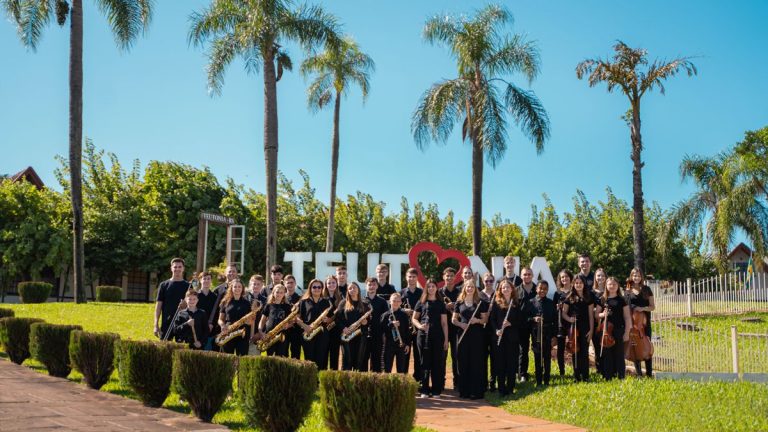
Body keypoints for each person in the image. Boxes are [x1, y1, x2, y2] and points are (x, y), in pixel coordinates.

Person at [412, 278, 449, 398]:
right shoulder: (421, 302)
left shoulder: (440, 303)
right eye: (429, 286)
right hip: (423, 336)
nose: (431, 288)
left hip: (438, 336)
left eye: (433, 286)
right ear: (426, 288)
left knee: (437, 362)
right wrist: (420, 326)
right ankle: (424, 389)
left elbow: (444, 323)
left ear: (437, 288)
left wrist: (446, 340)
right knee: (424, 362)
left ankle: (436, 389)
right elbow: (414, 318)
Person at [452, 280, 489, 400]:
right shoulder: (459, 302)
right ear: (464, 288)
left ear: (475, 289)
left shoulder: (480, 303)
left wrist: (477, 321)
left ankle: (475, 391)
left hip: (476, 336)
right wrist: (460, 324)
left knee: (475, 362)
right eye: (468, 287)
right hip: (462, 335)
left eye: (472, 287)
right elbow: (453, 319)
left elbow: (485, 320)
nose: (470, 289)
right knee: (463, 362)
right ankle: (464, 391)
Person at [490, 279, 521, 396]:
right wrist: (496, 330)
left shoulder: (516, 303)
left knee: (511, 363)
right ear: (500, 290)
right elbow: (492, 320)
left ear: (512, 289)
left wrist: (510, 323)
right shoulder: (496, 303)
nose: (506, 289)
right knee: (500, 363)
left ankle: (510, 388)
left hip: (512, 338)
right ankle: (501, 389)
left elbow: (521, 320)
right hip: (499, 337)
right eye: (503, 287)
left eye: (508, 287)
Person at [596, 277, 631, 380]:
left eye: (614, 284)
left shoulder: (622, 300)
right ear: (606, 286)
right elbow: (596, 314)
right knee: (607, 354)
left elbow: (627, 317)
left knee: (619, 354)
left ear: (618, 286)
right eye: (610, 284)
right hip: (606, 330)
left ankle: (621, 376)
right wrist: (603, 314)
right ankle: (608, 376)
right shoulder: (602, 299)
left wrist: (627, 332)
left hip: (619, 330)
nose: (612, 286)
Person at [561, 275, 595, 382]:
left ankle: (585, 376)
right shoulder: (569, 297)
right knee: (575, 352)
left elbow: (591, 315)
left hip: (585, 328)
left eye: (580, 283)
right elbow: (563, 313)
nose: (578, 285)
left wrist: (591, 330)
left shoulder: (588, 298)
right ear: (573, 284)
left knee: (584, 351)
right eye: (576, 283)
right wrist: (570, 319)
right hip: (574, 329)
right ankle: (577, 376)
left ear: (584, 284)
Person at [525, 281, 556, 387]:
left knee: (547, 357)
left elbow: (555, 320)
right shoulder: (531, 302)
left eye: (545, 288)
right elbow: (525, 318)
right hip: (536, 333)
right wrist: (533, 318)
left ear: (547, 290)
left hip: (548, 333)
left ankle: (547, 379)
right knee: (537, 356)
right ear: (536, 289)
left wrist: (554, 336)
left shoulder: (550, 303)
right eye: (540, 288)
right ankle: (538, 380)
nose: (542, 290)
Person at [626, 267, 655, 378]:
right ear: (631, 277)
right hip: (633, 324)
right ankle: (639, 374)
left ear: (641, 277)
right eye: (634, 275)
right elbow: (626, 307)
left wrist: (642, 308)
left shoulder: (647, 289)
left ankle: (649, 373)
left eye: (638, 276)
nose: (636, 278)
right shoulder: (628, 290)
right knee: (635, 347)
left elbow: (652, 307)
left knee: (647, 347)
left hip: (644, 324)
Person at [297, 279, 332, 370]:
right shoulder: (303, 302)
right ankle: (309, 378)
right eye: (314, 287)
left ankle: (319, 378)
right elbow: (297, 318)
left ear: (322, 289)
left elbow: (331, 319)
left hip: (322, 334)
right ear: (310, 288)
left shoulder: (326, 302)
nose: (317, 289)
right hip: (308, 332)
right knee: (309, 360)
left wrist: (327, 319)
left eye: (319, 287)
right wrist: (305, 326)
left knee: (321, 359)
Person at [154, 258, 191, 340]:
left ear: (183, 268)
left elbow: (192, 305)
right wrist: (155, 324)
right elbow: (158, 306)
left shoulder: (188, 286)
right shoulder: (164, 285)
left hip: (183, 322)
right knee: (164, 346)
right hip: (167, 322)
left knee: (182, 347)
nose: (177, 269)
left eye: (180, 267)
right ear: (171, 268)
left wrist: (185, 303)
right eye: (175, 267)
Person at [217, 279, 254, 356]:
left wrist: (248, 322)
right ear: (231, 288)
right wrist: (222, 325)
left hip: (243, 332)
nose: (237, 288)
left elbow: (251, 320)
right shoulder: (225, 302)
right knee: (226, 357)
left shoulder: (247, 303)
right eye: (235, 287)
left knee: (242, 357)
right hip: (228, 331)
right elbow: (220, 319)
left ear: (242, 288)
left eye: (239, 287)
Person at [338, 282, 369, 371]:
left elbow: (369, 320)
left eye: (354, 288)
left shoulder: (365, 304)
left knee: (359, 361)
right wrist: (343, 328)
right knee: (347, 361)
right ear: (347, 291)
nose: (352, 290)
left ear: (358, 289)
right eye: (350, 288)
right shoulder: (343, 303)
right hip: (347, 335)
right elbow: (337, 319)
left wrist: (365, 322)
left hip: (360, 335)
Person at [257, 283, 293, 357]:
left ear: (284, 294)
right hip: (270, 335)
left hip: (282, 335)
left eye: (281, 292)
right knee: (269, 356)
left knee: (280, 357)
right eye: (277, 292)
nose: (279, 294)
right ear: (273, 293)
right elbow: (262, 321)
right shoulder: (268, 305)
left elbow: (292, 322)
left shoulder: (287, 306)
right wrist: (261, 332)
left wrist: (288, 325)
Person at [208, 264, 240, 347]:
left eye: (233, 271)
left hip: (237, 326)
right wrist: (211, 322)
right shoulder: (218, 290)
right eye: (229, 271)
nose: (231, 273)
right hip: (220, 326)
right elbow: (214, 308)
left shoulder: (241, 289)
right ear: (225, 273)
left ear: (237, 273)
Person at [439, 267, 460, 388]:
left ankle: (457, 382)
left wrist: (454, 305)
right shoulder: (439, 292)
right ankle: (441, 382)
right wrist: (444, 306)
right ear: (443, 277)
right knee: (442, 356)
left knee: (456, 356)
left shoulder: (460, 291)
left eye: (451, 275)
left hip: (456, 328)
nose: (449, 278)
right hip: (443, 329)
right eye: (447, 276)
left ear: (455, 277)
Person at [381, 293, 411, 374]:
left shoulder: (404, 315)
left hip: (401, 345)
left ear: (401, 302)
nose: (396, 303)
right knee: (387, 368)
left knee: (401, 369)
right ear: (390, 302)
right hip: (388, 345)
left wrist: (407, 344)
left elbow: (407, 331)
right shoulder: (385, 315)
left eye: (398, 301)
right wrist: (391, 324)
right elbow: (381, 329)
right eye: (394, 301)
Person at [401, 268, 423, 381]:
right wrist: (404, 310)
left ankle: (417, 380)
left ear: (417, 278)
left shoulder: (422, 293)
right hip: (405, 328)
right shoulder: (401, 293)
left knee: (418, 354)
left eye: (414, 277)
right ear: (406, 277)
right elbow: (395, 308)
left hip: (418, 327)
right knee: (404, 354)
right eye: (409, 276)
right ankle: (404, 379)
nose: (411, 279)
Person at [363, 277, 388, 372]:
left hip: (377, 334)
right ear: (366, 286)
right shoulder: (362, 301)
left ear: (377, 286)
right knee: (363, 359)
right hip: (364, 334)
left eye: (374, 285)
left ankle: (375, 380)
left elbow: (386, 318)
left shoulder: (382, 301)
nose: (372, 287)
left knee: (376, 360)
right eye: (369, 285)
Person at [517, 267, 537, 382]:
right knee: (523, 350)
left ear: (532, 275)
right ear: (521, 276)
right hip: (522, 324)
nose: (527, 276)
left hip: (535, 324)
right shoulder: (516, 290)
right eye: (525, 274)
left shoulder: (538, 289)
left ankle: (538, 372)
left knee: (537, 348)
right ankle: (522, 374)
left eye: (529, 274)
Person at [479, 272, 497, 391]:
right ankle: (483, 382)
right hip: (482, 330)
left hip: (494, 330)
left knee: (494, 357)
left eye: (491, 281)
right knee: (483, 357)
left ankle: (493, 382)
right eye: (486, 281)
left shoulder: (497, 294)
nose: (489, 283)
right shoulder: (479, 295)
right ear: (483, 282)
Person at [553, 269, 573, 376]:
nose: (564, 279)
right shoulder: (557, 293)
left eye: (566, 276)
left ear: (570, 278)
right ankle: (562, 372)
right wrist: (557, 308)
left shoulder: (574, 291)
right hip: (560, 323)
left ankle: (576, 370)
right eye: (562, 277)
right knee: (560, 349)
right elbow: (553, 310)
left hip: (571, 323)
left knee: (573, 346)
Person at [323, 275, 344, 370]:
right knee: (323, 355)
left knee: (334, 356)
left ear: (337, 284)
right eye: (329, 283)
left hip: (336, 330)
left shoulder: (341, 298)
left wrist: (332, 320)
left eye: (333, 283)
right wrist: (325, 319)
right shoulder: (322, 298)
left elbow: (342, 315)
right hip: (324, 330)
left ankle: (333, 374)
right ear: (326, 285)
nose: (331, 285)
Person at [195, 271, 218, 350]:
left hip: (211, 329)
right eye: (204, 279)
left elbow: (217, 313)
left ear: (211, 281)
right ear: (200, 280)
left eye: (208, 279)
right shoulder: (195, 296)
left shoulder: (215, 297)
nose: (206, 281)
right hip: (198, 328)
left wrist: (212, 324)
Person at [591, 268, 608, 374]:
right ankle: (599, 370)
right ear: (595, 278)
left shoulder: (609, 289)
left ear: (605, 277)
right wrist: (596, 310)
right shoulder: (591, 292)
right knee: (597, 347)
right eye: (598, 276)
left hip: (609, 323)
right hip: (596, 323)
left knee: (607, 346)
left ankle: (608, 368)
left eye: (602, 275)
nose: (600, 278)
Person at [284, 274, 303, 359]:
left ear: (295, 284)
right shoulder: (281, 297)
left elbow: (301, 314)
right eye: (288, 283)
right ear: (284, 284)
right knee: (283, 353)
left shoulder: (300, 298)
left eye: (292, 282)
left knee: (296, 353)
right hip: (284, 329)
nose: (290, 285)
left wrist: (292, 322)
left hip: (296, 329)